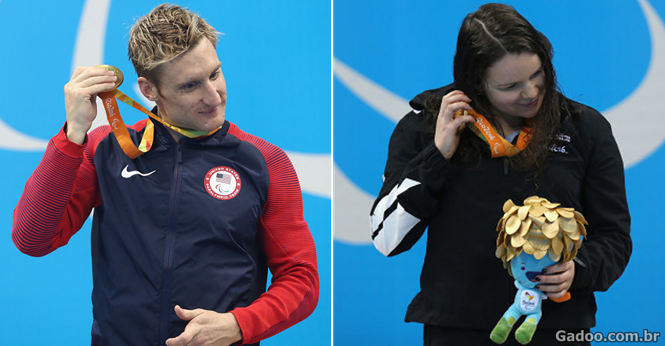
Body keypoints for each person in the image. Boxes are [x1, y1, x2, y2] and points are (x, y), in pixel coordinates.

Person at [12, 3, 318, 346]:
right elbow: (32, 239)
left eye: (215, 74)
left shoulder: (264, 161)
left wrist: (238, 324)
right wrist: (72, 136)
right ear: (149, 90)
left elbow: (301, 280)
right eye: (190, 86)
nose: (213, 95)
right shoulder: (106, 150)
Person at [369, 3, 631, 346]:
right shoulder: (425, 127)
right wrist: (437, 155)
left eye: (538, 75)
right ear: (475, 83)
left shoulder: (585, 127)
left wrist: (578, 270)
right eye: (510, 86)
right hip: (458, 329)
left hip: (557, 328)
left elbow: (614, 237)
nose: (531, 93)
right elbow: (387, 238)